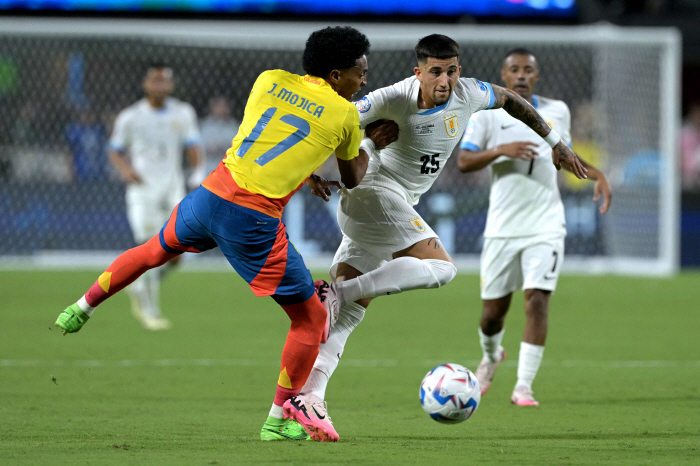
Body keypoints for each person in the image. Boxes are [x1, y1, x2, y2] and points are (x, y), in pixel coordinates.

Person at [55, 26, 374, 443]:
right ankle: (277, 421)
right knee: (311, 319)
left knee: (152, 251)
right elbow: (352, 176)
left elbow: (272, 139)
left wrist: (306, 170)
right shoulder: (346, 115)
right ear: (336, 75)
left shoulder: (269, 79)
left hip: (209, 195)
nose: (364, 80)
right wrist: (373, 146)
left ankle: (80, 307)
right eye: (359, 72)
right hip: (252, 220)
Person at [298, 35, 588, 430]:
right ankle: (336, 293)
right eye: (435, 71)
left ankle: (306, 398)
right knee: (442, 269)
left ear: (459, 72)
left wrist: (555, 143)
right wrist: (307, 172)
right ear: (417, 72)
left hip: (388, 209)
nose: (444, 80)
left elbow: (513, 102)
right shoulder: (390, 99)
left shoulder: (469, 94)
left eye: (451, 71)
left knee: (347, 318)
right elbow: (330, 121)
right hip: (373, 194)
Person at [458, 48, 612, 406]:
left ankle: (523, 385)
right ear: (505, 75)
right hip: (502, 227)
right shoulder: (486, 113)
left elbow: (566, 156)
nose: (522, 75)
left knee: (537, 302)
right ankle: (491, 355)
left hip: (546, 224)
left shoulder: (558, 111)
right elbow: (465, 161)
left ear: (536, 76)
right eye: (515, 70)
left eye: (528, 69)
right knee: (493, 313)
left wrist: (598, 174)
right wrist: (502, 149)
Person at [107, 64, 206, 330]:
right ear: (146, 83)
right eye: (155, 80)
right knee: (149, 248)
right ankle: (150, 311)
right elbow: (115, 150)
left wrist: (197, 172)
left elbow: (193, 145)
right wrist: (126, 170)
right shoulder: (130, 117)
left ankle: (138, 285)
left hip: (172, 189)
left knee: (176, 255)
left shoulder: (183, 113)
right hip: (143, 192)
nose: (159, 86)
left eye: (164, 81)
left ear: (171, 85)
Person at [200, 96, 241, 173]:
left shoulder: (234, 126)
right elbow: (199, 147)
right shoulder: (205, 126)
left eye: (223, 106)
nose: (221, 109)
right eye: (218, 106)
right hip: (208, 166)